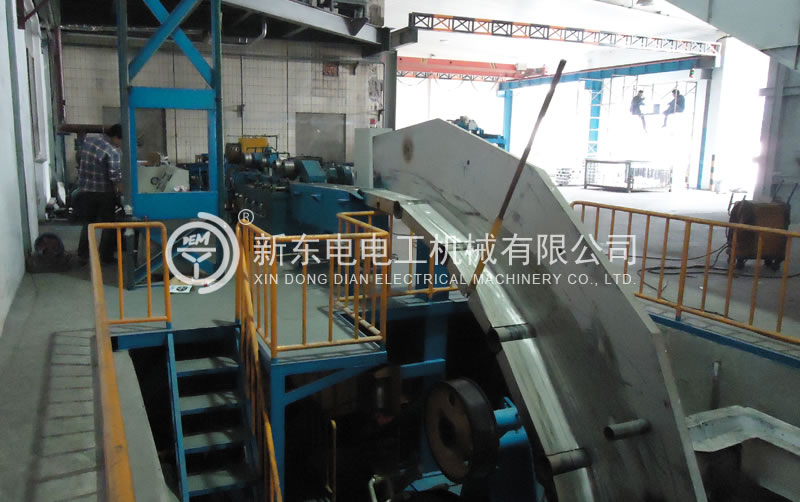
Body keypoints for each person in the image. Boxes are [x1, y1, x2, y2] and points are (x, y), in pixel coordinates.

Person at [76, 124, 123, 265]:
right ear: (116, 137)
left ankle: (83, 255)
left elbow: (79, 158)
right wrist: (122, 190)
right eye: (121, 141)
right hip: (103, 193)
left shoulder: (90, 141)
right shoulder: (112, 151)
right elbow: (115, 176)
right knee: (108, 225)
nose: (121, 145)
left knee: (88, 223)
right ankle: (105, 257)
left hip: (85, 190)